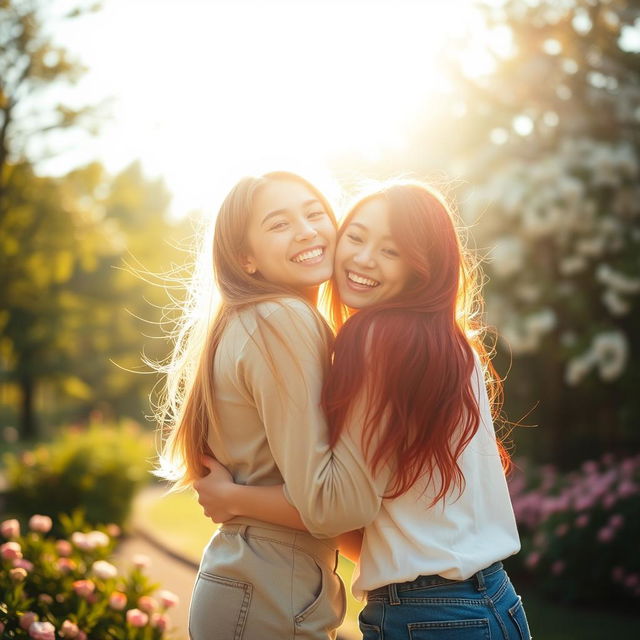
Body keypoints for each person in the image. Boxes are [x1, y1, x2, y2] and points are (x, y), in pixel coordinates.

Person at [195, 180, 532, 640]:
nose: (363, 258)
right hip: (489, 602)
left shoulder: (380, 342)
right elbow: (377, 521)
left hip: (432, 611)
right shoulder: (448, 344)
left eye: (391, 250)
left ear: (421, 268)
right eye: (355, 237)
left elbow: (337, 506)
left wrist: (236, 499)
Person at [155, 171, 389, 640]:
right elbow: (331, 504)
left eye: (314, 212)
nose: (306, 230)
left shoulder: (253, 318)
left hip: (254, 580)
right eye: (278, 224)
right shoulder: (283, 319)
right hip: (268, 589)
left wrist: (235, 499)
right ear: (246, 257)